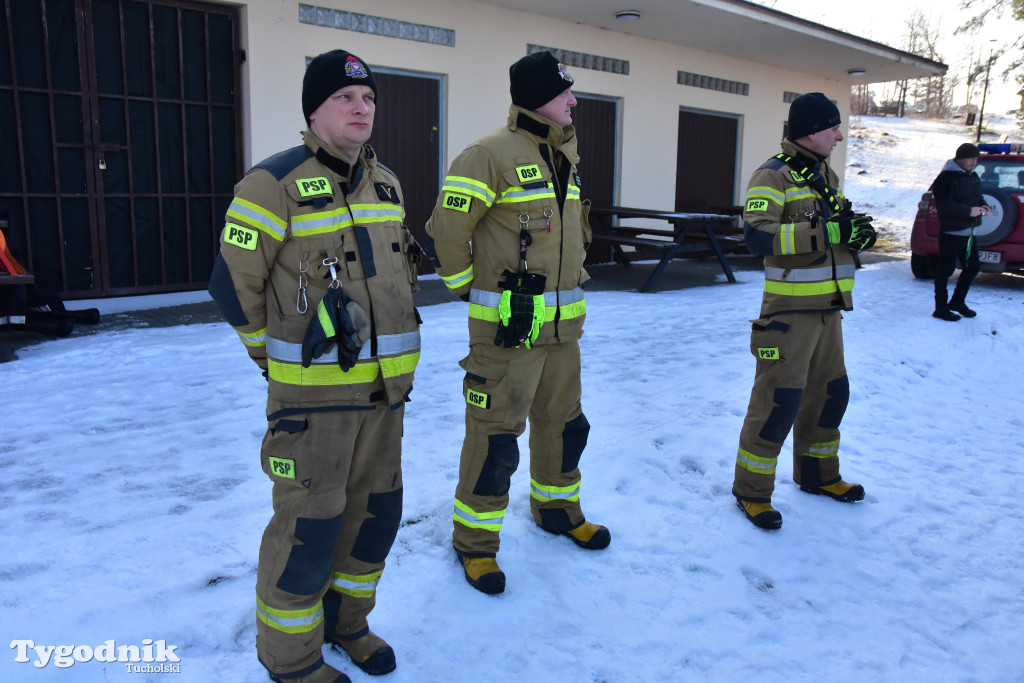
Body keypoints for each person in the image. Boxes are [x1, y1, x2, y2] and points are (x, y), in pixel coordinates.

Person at [208, 50, 422, 683]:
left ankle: (348, 625)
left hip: (386, 398)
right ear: (313, 109)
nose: (361, 109)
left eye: (369, 99)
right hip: (314, 408)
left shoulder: (387, 184)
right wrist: (270, 363)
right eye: (344, 99)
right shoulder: (270, 182)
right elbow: (231, 285)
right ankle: (291, 661)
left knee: (372, 523)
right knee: (308, 533)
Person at [424, 51, 609, 595]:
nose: (573, 101)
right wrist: (466, 289)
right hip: (508, 333)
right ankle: (476, 545)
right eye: (564, 92)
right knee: (495, 439)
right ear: (535, 97)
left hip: (563, 334)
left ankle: (557, 509)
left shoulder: (563, 156)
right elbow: (446, 231)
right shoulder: (487, 155)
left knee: (564, 425)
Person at [731, 92, 877, 530]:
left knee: (830, 396)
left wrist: (854, 237)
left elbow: (828, 234)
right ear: (811, 130)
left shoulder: (824, 175)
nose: (839, 135)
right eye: (833, 127)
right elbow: (757, 238)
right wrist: (828, 230)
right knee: (778, 403)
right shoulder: (771, 175)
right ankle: (752, 493)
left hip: (829, 311)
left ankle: (818, 475)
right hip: (789, 315)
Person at [930, 142, 987, 321]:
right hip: (951, 233)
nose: (974, 162)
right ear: (960, 158)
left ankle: (957, 302)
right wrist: (969, 211)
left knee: (972, 268)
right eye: (971, 158)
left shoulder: (972, 176)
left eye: (976, 159)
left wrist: (983, 204)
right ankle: (940, 308)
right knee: (945, 270)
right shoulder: (946, 178)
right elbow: (944, 205)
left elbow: (977, 196)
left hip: (969, 233)